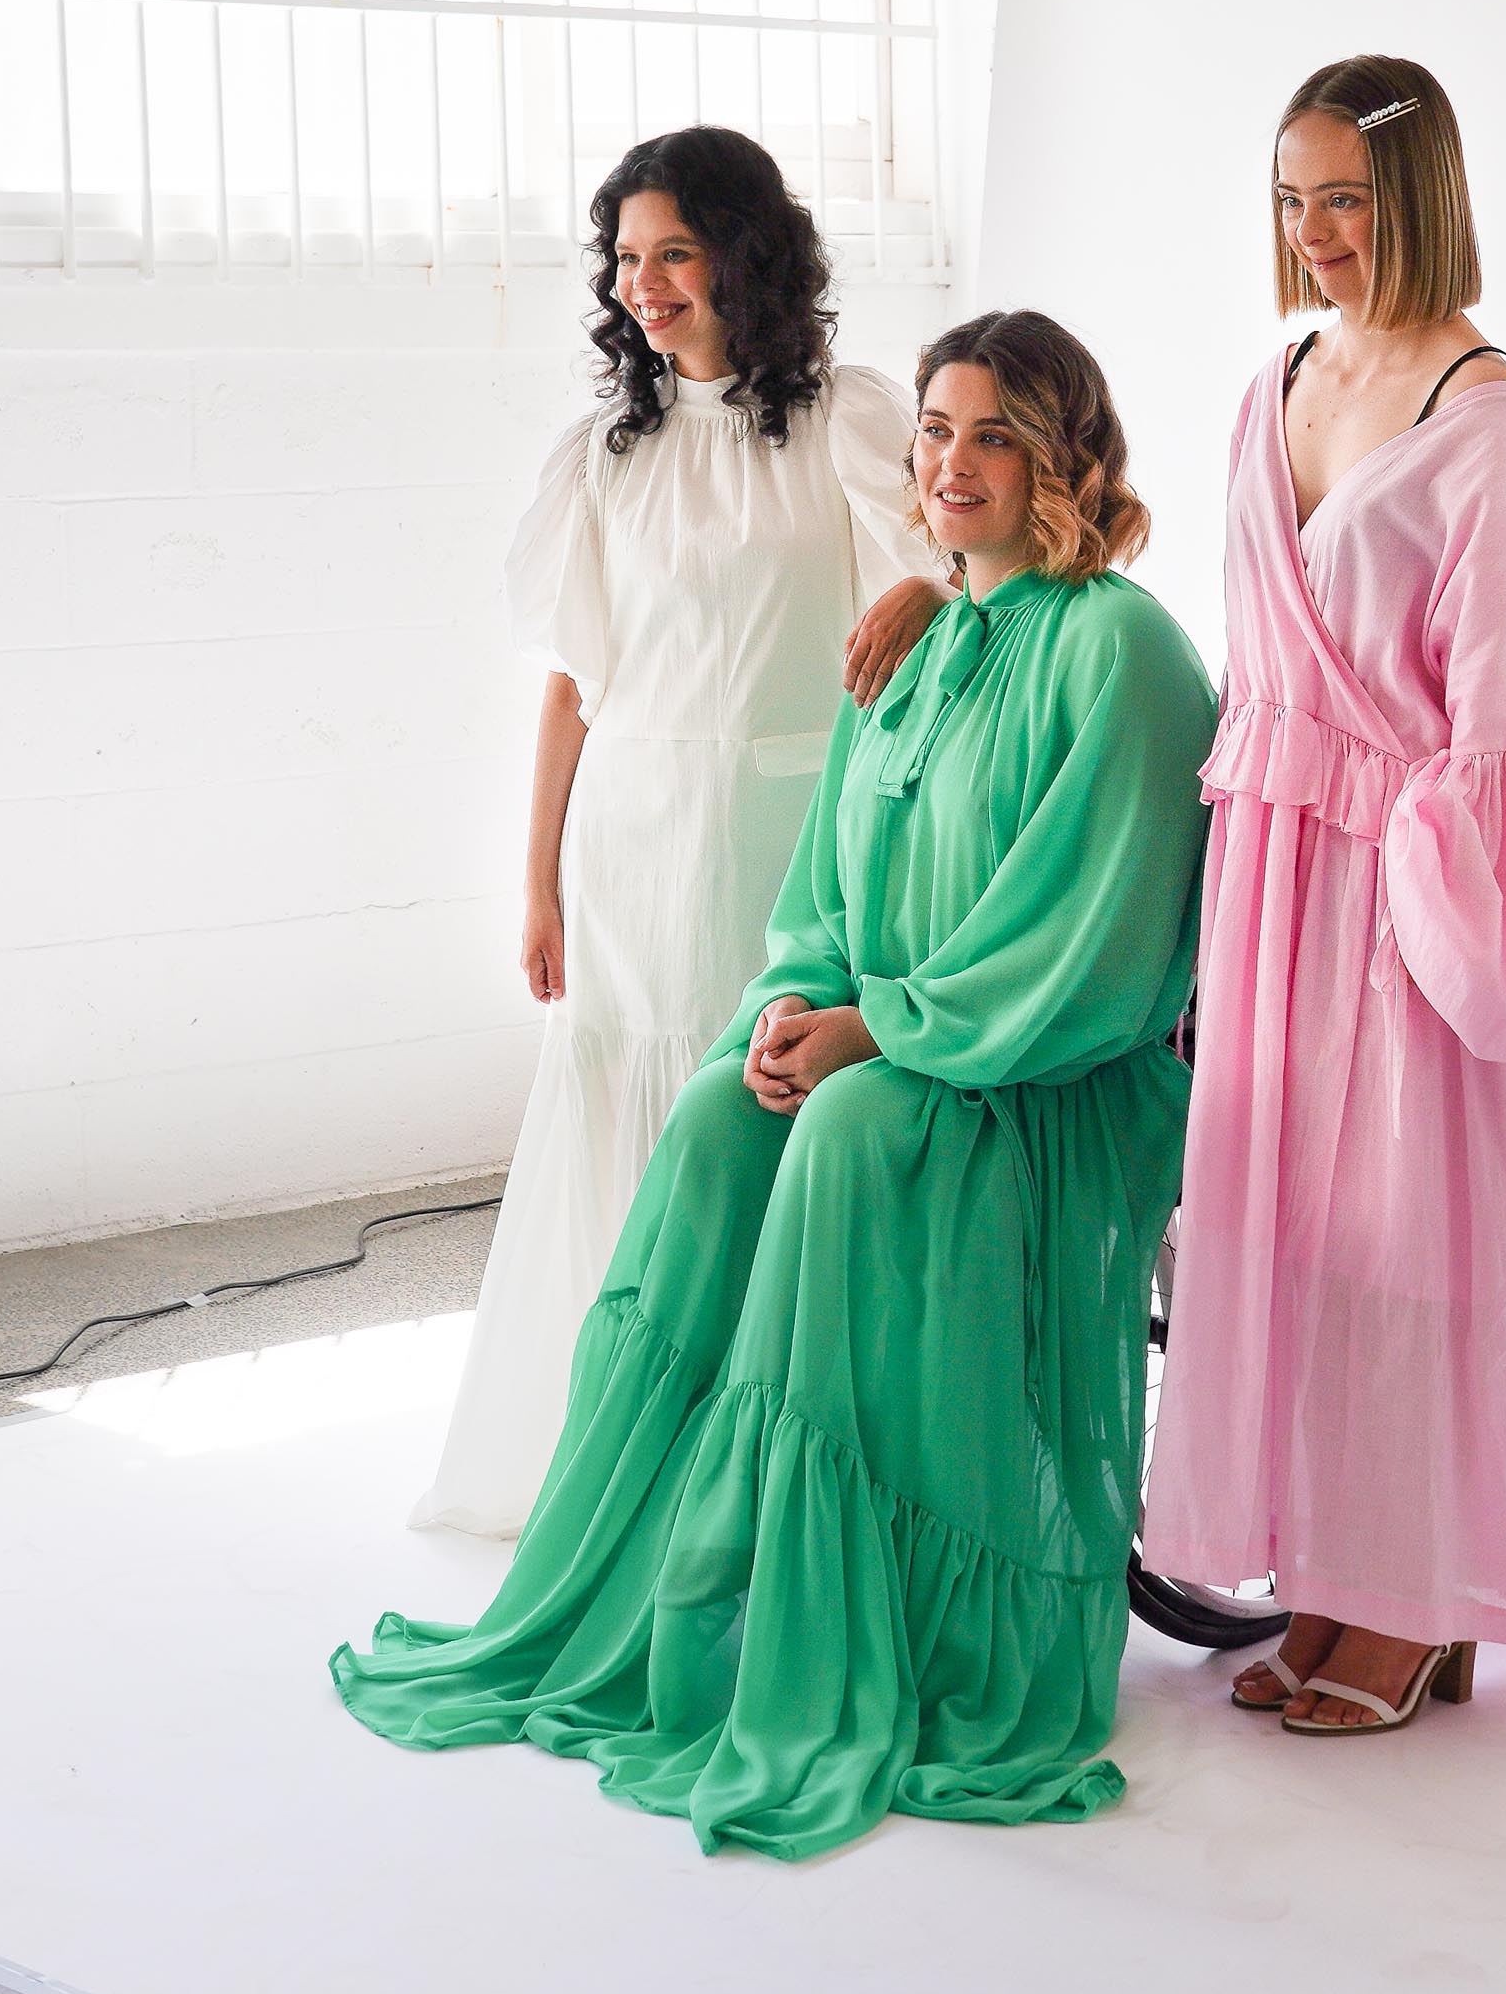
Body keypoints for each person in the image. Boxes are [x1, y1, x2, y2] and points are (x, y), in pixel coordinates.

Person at [336, 313, 1217, 1859]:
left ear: (1062, 454)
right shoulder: (913, 646)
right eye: (933, 431)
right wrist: (791, 1010)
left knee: (852, 1132)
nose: (949, 462)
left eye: (992, 434)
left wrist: (882, 1032)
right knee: (714, 1121)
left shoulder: (1121, 649)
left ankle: (915, 1624)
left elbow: (1091, 935)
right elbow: (817, 898)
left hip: (1043, 1079)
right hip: (899, 1040)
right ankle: (691, 1591)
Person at [1144, 54, 1506, 1735]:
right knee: (1298, 1229)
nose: (1313, 232)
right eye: (1291, 198)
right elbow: (1258, 656)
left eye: (1347, 200)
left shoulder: (1482, 419)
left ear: (1420, 194)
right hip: (1273, 870)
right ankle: (1333, 1569)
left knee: (1414, 1230)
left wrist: (1423, 862)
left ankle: (1416, 1597)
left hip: (1404, 881)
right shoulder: (1278, 382)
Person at [412, 128, 946, 1538]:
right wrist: (538, 883)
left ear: (743, 256)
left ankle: (760, 1475)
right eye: (626, 259)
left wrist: (931, 589)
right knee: (626, 1119)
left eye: (673, 253)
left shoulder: (846, 419)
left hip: (785, 839)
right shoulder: (607, 450)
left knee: (759, 1117)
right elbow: (576, 685)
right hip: (633, 845)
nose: (642, 284)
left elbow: (964, 574)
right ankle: (626, 1466)